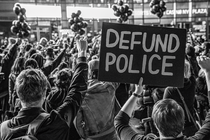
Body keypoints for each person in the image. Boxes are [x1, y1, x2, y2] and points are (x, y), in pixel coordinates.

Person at [0, 37, 88, 140]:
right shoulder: (54, 124)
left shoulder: (3, 129)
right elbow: (75, 93)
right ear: (45, 92)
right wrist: (82, 55)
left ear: (18, 94)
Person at [114, 55, 210, 140]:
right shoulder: (191, 82)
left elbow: (120, 122)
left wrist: (136, 93)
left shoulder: (170, 89)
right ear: (182, 122)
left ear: (155, 125)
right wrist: (208, 71)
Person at [74, 58, 120, 140]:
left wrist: (84, 135)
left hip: (93, 136)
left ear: (89, 72)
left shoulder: (81, 93)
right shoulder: (111, 87)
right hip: (111, 132)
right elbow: (119, 74)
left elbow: (77, 121)